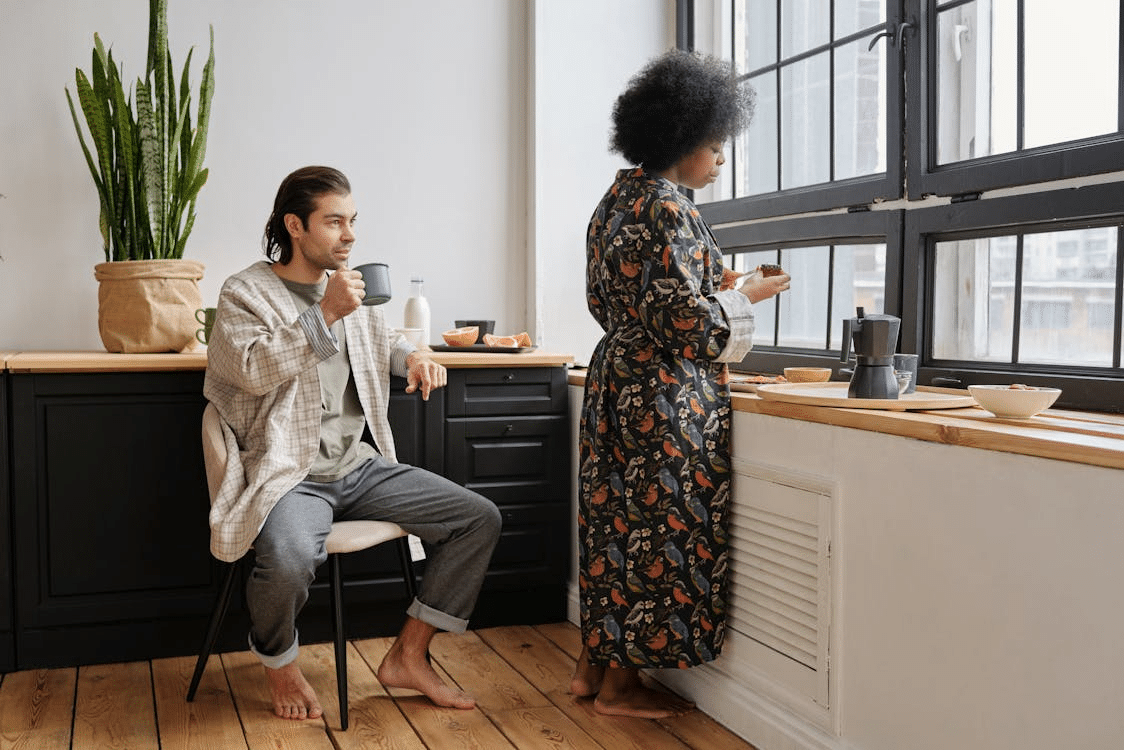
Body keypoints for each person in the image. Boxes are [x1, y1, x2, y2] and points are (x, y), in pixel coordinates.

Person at [203, 165, 502, 721]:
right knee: (288, 558)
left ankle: (409, 656)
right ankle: (280, 664)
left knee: (477, 518)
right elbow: (247, 369)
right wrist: (326, 313)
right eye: (334, 221)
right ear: (295, 225)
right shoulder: (246, 292)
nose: (350, 234)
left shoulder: (350, 290)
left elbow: (380, 339)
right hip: (290, 474)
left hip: (358, 467)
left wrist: (415, 355)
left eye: (353, 220)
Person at [572, 50, 791, 719]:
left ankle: (592, 668)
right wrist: (747, 294)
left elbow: (628, 299)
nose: (719, 157)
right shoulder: (669, 208)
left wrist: (713, 290)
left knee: (615, 527)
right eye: (713, 145)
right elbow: (687, 324)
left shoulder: (614, 202)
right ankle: (619, 689)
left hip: (615, 381)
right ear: (680, 139)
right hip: (664, 397)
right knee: (662, 531)